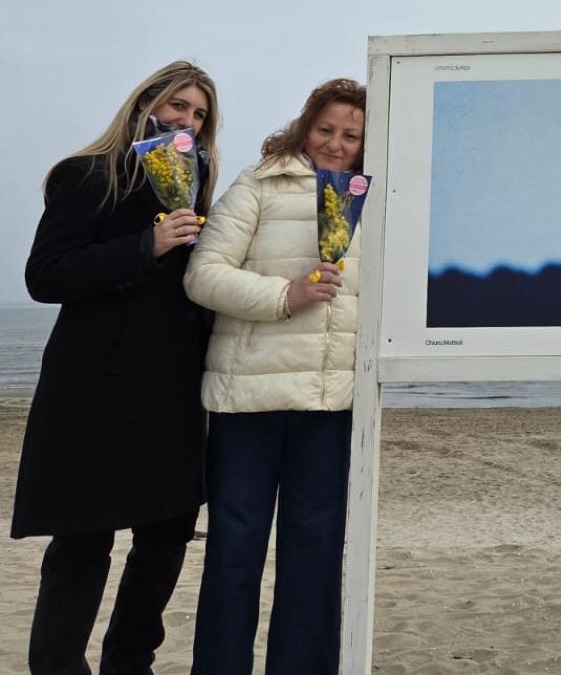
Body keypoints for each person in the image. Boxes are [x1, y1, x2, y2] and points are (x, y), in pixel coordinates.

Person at [11, 60, 219, 674]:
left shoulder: (198, 187)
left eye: (199, 114)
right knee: (82, 540)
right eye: (178, 105)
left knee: (167, 535)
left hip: (173, 392)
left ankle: (129, 664)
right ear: (145, 103)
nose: (186, 120)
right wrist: (145, 246)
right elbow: (45, 276)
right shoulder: (86, 175)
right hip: (94, 392)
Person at [184, 77, 366, 675]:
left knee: (316, 557)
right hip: (246, 403)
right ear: (304, 126)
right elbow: (202, 275)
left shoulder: (378, 199)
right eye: (325, 129)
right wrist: (286, 295)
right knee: (233, 554)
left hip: (329, 405)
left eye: (351, 136)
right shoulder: (258, 183)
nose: (335, 143)